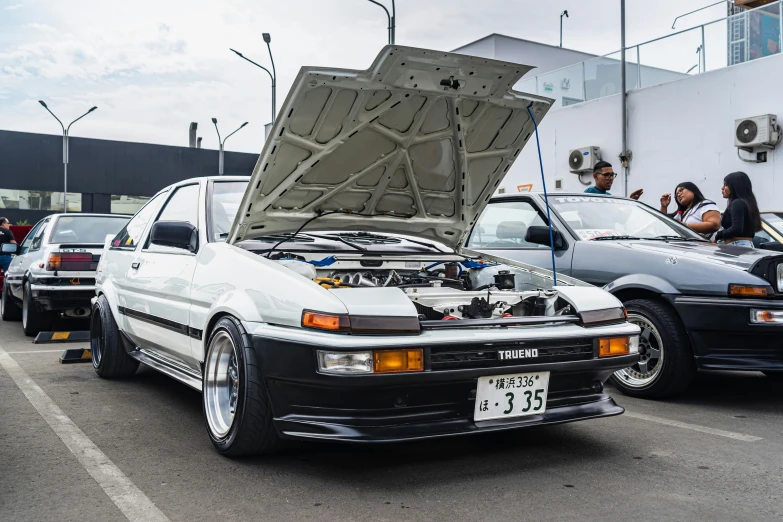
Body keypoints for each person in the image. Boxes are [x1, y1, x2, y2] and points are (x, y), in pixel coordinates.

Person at [713, 171, 761, 247]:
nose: (722, 188)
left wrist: (718, 235)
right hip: (744, 245)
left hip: (737, 246)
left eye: (725, 185)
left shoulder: (737, 203)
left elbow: (736, 229)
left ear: (735, 186)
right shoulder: (747, 203)